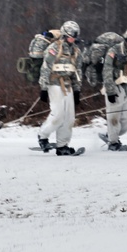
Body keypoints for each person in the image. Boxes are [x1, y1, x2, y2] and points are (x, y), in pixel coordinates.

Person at [36, 20, 83, 156]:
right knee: (58, 115)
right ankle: (43, 134)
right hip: (54, 83)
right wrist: (43, 88)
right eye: (70, 36)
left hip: (68, 85)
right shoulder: (54, 48)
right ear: (64, 34)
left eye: (74, 36)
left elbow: (77, 71)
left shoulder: (76, 51)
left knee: (69, 117)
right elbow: (45, 68)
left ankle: (62, 145)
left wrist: (77, 90)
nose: (72, 39)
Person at [100, 26, 127, 151]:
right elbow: (107, 69)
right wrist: (110, 90)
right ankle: (113, 142)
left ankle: (111, 135)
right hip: (115, 85)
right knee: (114, 116)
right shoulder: (114, 50)